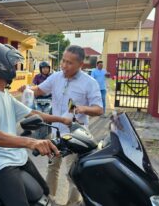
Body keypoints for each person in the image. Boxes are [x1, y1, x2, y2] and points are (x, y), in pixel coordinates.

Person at [0, 43, 72, 206]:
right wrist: (32, 142)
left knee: (44, 191)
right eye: (12, 63)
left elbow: (33, 113)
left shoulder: (4, 94)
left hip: (16, 156)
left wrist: (62, 120)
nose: (15, 67)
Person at [20, 45, 103, 205]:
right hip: (56, 133)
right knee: (52, 167)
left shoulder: (89, 83)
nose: (64, 65)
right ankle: (49, 199)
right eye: (63, 61)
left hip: (76, 136)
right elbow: (39, 90)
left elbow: (99, 109)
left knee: (73, 173)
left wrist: (84, 108)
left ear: (80, 65)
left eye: (69, 63)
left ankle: (73, 203)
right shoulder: (56, 77)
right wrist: (28, 89)